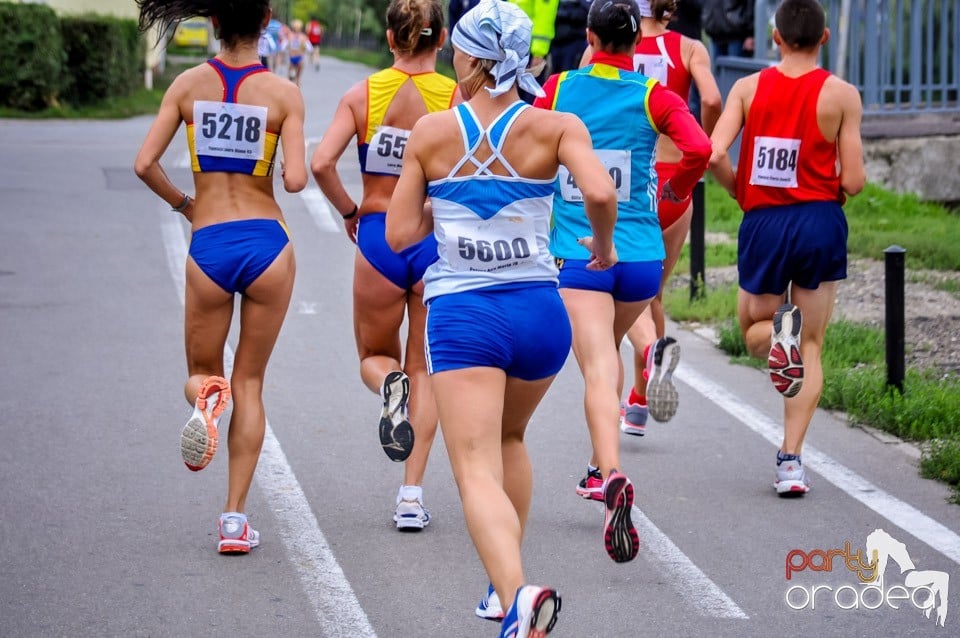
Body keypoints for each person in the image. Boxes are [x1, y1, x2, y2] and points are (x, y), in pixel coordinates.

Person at [385, 1, 617, 634]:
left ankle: (518, 597)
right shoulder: (556, 125)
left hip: (465, 314)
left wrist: (447, 205)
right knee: (510, 439)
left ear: (468, 58)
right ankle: (499, 586)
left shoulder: (433, 133)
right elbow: (599, 191)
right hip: (541, 314)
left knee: (473, 467)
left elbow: (401, 232)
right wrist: (604, 248)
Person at [133, 0, 307, 553]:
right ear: (265, 25)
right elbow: (299, 181)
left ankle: (206, 397)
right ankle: (234, 522)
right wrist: (279, 161)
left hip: (209, 244)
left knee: (205, 372)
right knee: (251, 382)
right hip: (268, 246)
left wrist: (186, 204)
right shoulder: (283, 95)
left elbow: (144, 164)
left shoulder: (188, 85)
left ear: (212, 22)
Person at [534, 0, 710, 547]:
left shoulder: (559, 89)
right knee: (606, 360)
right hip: (640, 261)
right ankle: (596, 468)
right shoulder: (652, 95)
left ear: (589, 36)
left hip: (582, 254)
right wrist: (677, 188)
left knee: (594, 372)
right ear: (636, 44)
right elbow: (700, 146)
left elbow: (527, 147)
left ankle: (610, 475)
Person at [310, 0, 459, 531]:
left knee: (376, 355)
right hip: (434, 240)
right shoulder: (457, 98)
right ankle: (411, 498)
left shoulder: (362, 96)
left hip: (377, 237)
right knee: (427, 370)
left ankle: (387, 384)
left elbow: (321, 163)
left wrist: (350, 210)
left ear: (391, 40)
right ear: (441, 41)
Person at [708, 0, 865, 495]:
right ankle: (790, 462)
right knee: (811, 344)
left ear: (775, 37)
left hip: (765, 223)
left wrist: (738, 189)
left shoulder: (747, 88)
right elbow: (856, 182)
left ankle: (779, 337)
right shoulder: (842, 95)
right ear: (824, 39)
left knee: (753, 329)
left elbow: (712, 153)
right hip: (819, 221)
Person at [616, 0, 722, 434]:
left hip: (629, 180)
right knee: (652, 293)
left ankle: (646, 367)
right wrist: (703, 138)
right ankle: (639, 403)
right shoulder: (690, 48)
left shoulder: (615, 42)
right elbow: (712, 97)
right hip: (675, 181)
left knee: (621, 294)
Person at [549, 0, 590, 72]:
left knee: (568, 71)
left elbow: (583, 14)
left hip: (573, 42)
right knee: (555, 72)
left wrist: (565, 13)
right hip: (556, 42)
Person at [286, 19, 312, 87]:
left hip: (292, 57)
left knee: (290, 75)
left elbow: (284, 45)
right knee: (298, 77)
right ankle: (297, 83)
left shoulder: (290, 35)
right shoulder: (303, 37)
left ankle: (292, 82)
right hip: (299, 57)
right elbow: (310, 48)